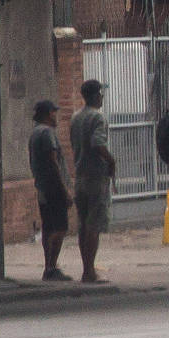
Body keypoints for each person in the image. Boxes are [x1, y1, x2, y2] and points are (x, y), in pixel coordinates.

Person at [68, 77, 115, 283]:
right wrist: (111, 161)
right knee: (93, 225)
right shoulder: (98, 118)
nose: (102, 96)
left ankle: (86, 267)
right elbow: (98, 143)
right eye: (100, 93)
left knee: (83, 224)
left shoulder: (75, 117)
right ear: (96, 95)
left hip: (80, 175)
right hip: (96, 177)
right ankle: (89, 271)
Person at [29, 99, 71, 281]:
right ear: (48, 114)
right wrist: (64, 190)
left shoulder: (35, 133)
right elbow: (54, 162)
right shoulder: (47, 133)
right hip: (53, 187)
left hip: (43, 187)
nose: (56, 116)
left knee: (48, 227)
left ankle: (49, 266)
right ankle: (52, 266)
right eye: (54, 112)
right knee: (59, 228)